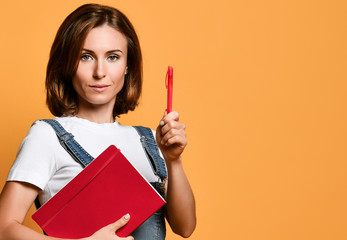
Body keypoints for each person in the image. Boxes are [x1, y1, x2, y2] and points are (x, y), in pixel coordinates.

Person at [0, 3, 196, 240]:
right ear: (67, 64)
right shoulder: (47, 135)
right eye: (86, 57)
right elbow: (4, 228)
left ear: (127, 66)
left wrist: (173, 161)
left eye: (113, 57)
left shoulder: (147, 141)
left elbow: (185, 228)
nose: (100, 71)